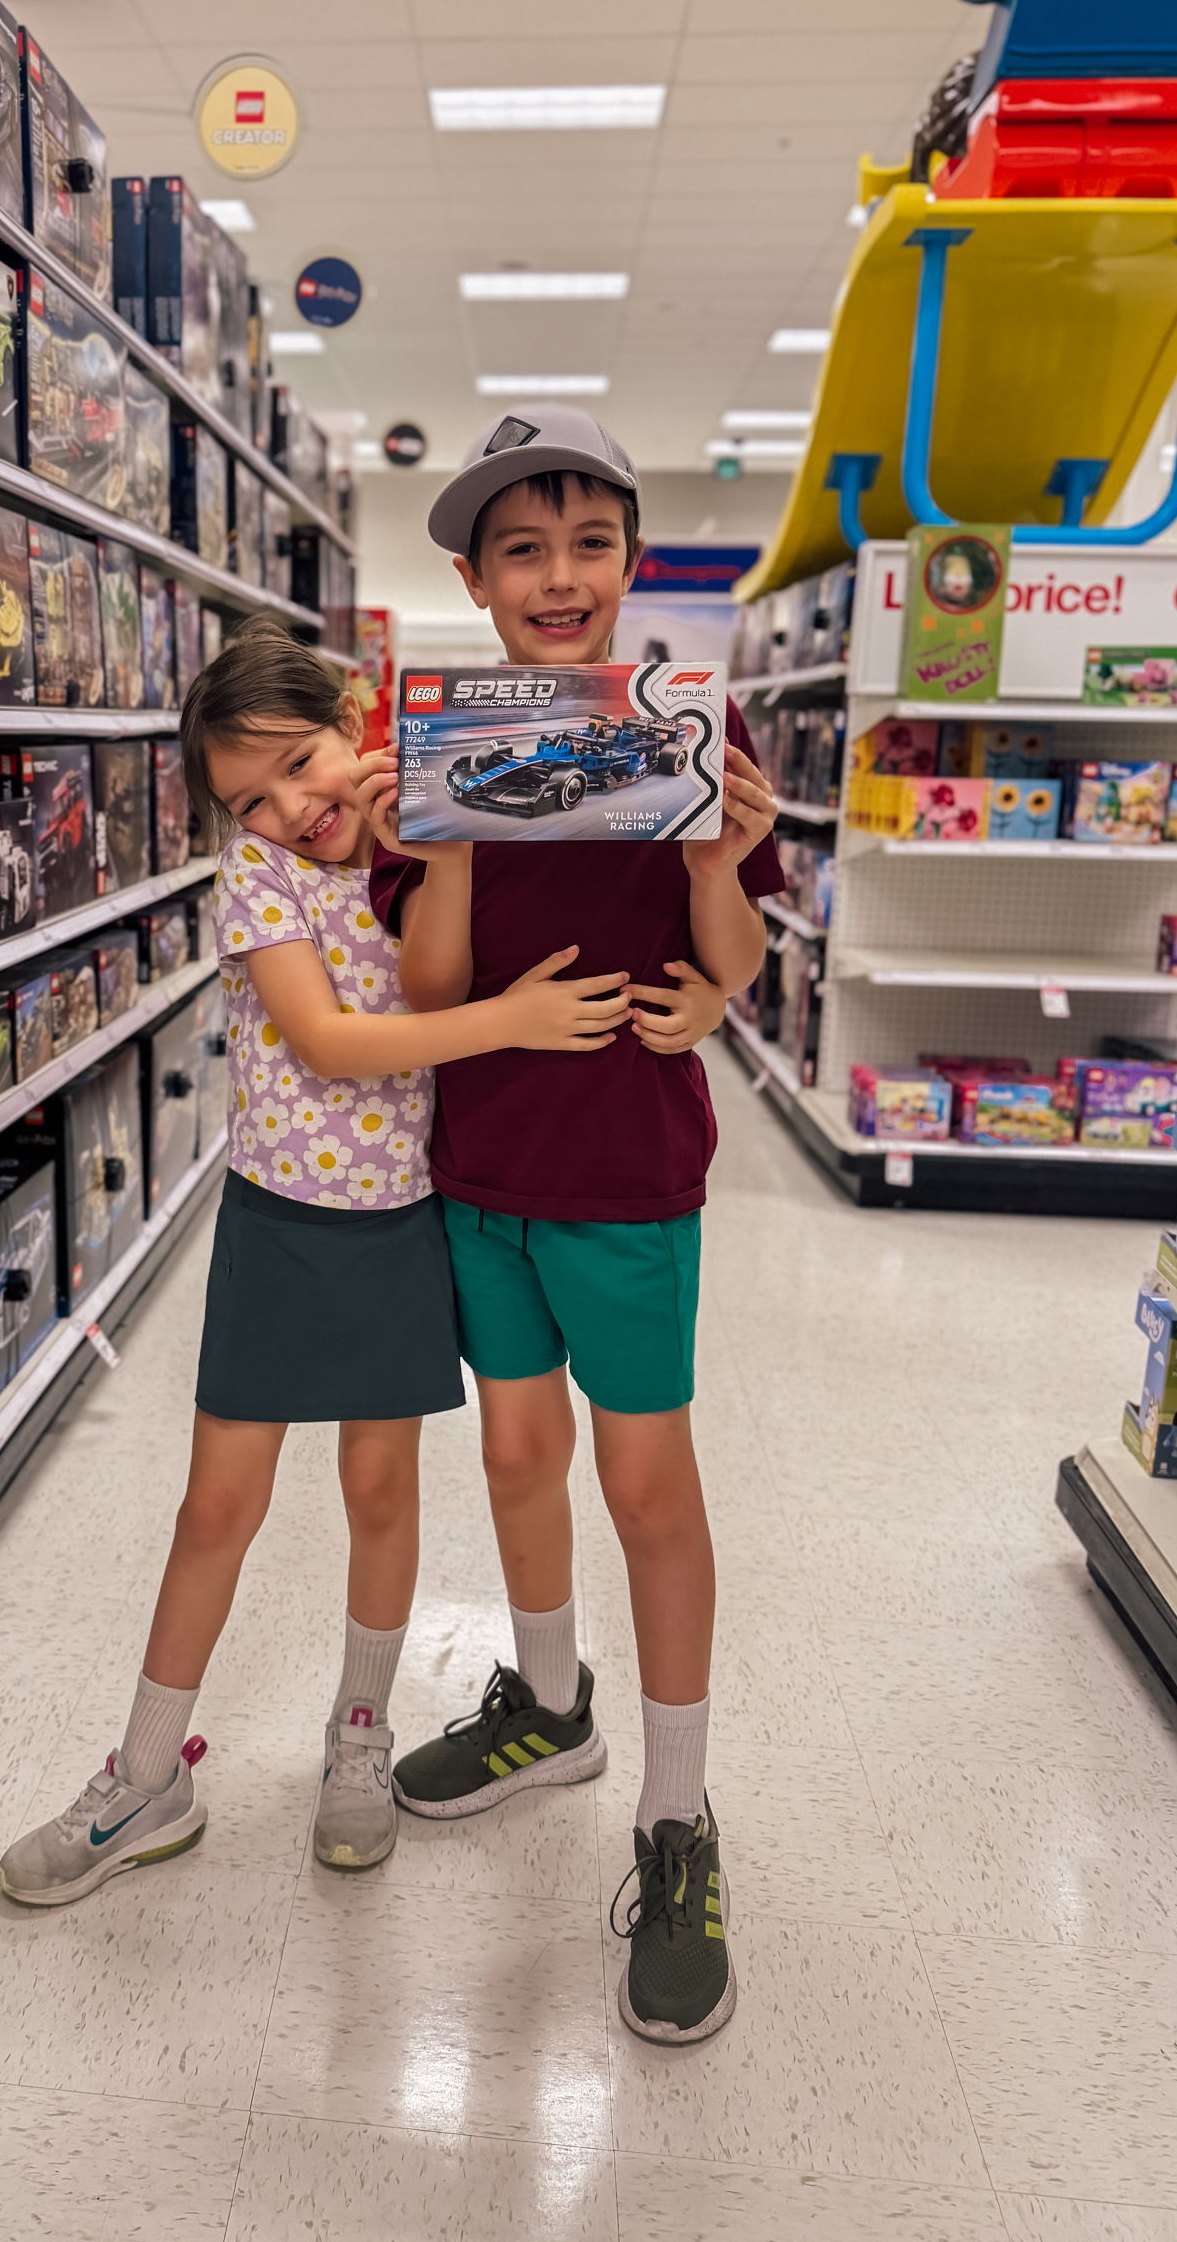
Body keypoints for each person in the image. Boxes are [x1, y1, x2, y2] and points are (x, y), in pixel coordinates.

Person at [0, 619, 639, 1904]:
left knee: (380, 1489)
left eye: (305, 761)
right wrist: (511, 1023)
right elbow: (331, 1041)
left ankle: (360, 1730)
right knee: (213, 1507)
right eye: (254, 795)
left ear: (358, 722)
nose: (294, 806)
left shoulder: (431, 830)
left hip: (403, 1219)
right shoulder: (257, 878)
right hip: (280, 1225)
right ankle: (145, 1772)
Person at [359, 406, 783, 2045]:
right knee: (519, 1460)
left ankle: (678, 1821)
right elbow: (437, 990)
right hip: (482, 1172)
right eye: (521, 548)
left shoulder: (693, 730)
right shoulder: (442, 744)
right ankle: (552, 1706)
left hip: (625, 1175)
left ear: (629, 562)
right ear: (470, 572)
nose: (557, 576)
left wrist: (718, 864)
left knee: (644, 1480)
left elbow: (733, 969)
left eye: (587, 544)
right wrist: (447, 843)